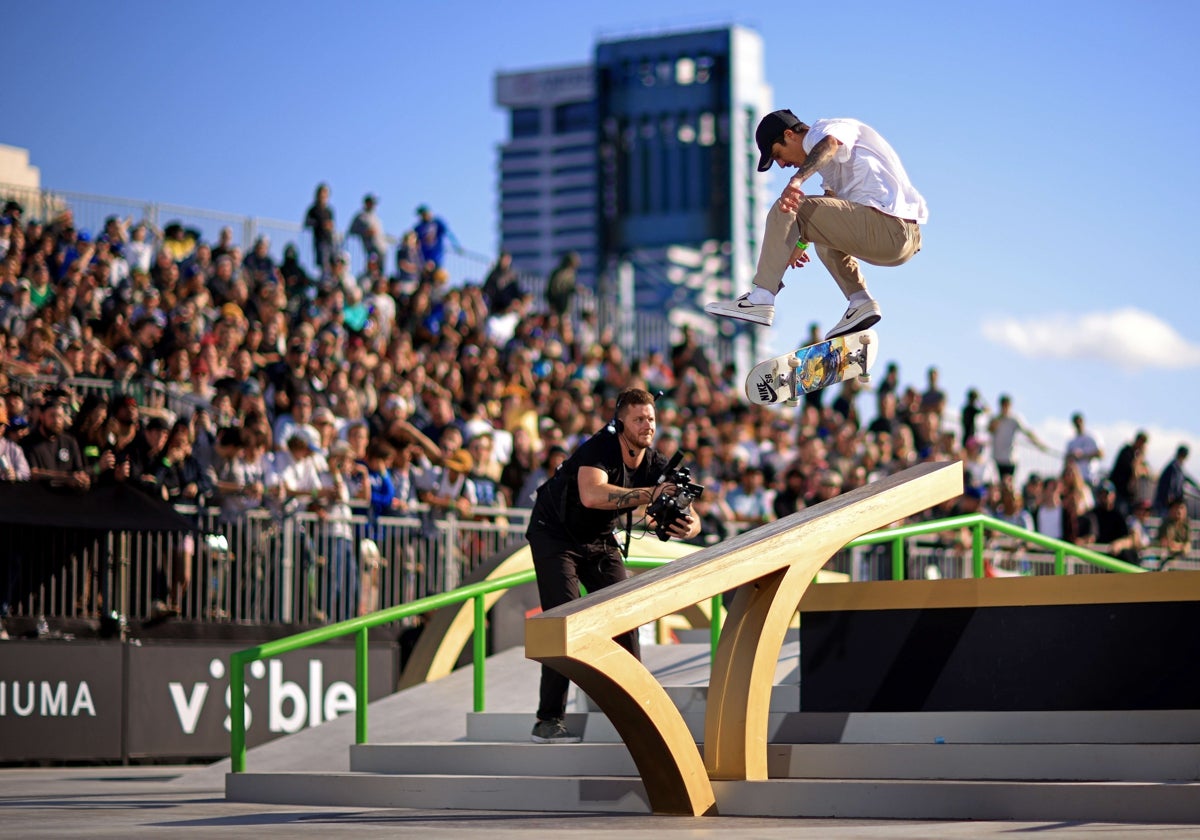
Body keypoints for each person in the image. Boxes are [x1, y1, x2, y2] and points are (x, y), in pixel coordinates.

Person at [525, 388, 701, 744]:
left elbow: (691, 512)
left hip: (600, 539)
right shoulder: (599, 447)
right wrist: (651, 494)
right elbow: (592, 494)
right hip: (555, 536)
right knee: (564, 619)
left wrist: (688, 524)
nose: (647, 425)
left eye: (650, 418)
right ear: (620, 422)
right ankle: (548, 720)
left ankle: (635, 711)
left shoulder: (653, 460)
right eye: (638, 419)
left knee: (625, 614)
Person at [705, 110, 927, 339]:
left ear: (790, 134)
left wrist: (797, 180)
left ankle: (761, 296)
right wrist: (799, 244)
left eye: (778, 154)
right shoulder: (832, 170)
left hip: (890, 226)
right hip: (897, 238)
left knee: (789, 204)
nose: (782, 165)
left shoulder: (822, 131)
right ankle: (860, 302)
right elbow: (829, 211)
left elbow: (830, 144)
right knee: (824, 236)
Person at [987, 394, 1048, 481]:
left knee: (1009, 482)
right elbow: (990, 430)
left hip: (1010, 458)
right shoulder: (996, 418)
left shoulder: (1015, 418)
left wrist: (1039, 444)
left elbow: (1027, 432)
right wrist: (998, 420)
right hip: (997, 457)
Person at [1153, 445, 1199, 516]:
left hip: (1173, 502)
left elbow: (1186, 478)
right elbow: (1171, 482)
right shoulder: (1173, 467)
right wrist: (1170, 496)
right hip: (1167, 503)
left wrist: (1197, 486)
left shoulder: (1178, 468)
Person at [347, 194, 388, 272]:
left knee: (381, 270)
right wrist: (365, 232)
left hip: (381, 247)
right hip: (370, 247)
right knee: (372, 265)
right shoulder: (361, 217)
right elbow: (351, 231)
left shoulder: (376, 217)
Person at [1064, 412, 1104, 489]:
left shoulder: (1092, 437)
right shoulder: (1071, 442)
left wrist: (1083, 456)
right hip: (1077, 480)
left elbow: (1101, 454)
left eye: (1080, 421)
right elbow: (1066, 461)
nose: (1078, 424)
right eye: (1076, 422)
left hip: (1091, 478)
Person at [304, 183, 336, 275]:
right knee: (323, 264)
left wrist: (330, 226)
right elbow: (307, 223)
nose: (323, 196)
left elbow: (332, 225)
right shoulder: (312, 210)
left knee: (333, 262)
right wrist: (320, 224)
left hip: (330, 240)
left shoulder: (329, 210)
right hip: (320, 240)